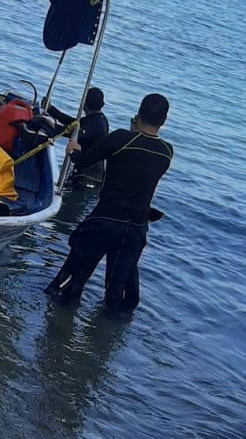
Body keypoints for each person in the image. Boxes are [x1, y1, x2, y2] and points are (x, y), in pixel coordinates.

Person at [45, 92, 173, 313]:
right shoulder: (166, 151)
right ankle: (107, 338)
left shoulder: (122, 139)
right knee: (117, 296)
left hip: (106, 221)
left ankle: (59, 329)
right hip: (136, 228)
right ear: (164, 121)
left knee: (73, 283)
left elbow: (84, 159)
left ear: (138, 114)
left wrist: (73, 151)